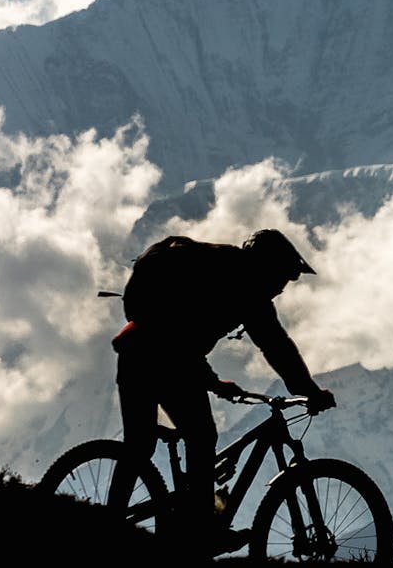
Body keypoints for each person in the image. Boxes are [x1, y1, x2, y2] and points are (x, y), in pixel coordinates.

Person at [111, 229, 335, 547]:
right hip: (159, 357)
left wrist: (212, 381)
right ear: (267, 267)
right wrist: (310, 392)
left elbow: (183, 339)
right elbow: (275, 347)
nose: (280, 289)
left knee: (139, 445)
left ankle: (110, 520)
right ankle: (199, 529)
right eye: (281, 279)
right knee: (201, 436)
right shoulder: (241, 285)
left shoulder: (229, 272)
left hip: (137, 353)